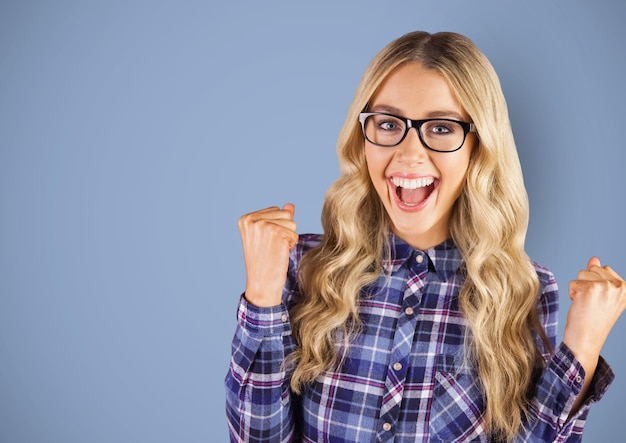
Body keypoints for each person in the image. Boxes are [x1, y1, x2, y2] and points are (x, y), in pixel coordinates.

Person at [225, 31, 624, 442]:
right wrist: (261, 297)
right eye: (387, 123)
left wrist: (583, 346)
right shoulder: (303, 266)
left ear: (478, 147)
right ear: (363, 138)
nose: (410, 153)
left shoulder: (525, 292)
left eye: (440, 128)